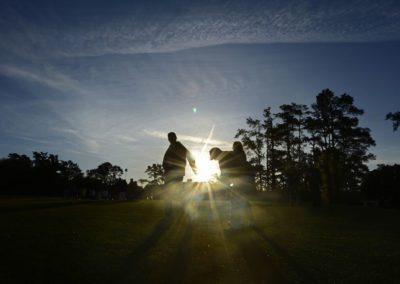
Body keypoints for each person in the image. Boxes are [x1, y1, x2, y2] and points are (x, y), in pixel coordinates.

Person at [210, 143, 255, 230]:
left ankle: (236, 225)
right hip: (248, 177)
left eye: (214, 158)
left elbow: (225, 177)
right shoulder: (228, 154)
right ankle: (250, 222)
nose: (215, 159)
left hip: (243, 178)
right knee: (243, 201)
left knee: (235, 201)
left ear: (216, 154)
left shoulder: (223, 159)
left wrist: (217, 178)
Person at [162, 132, 197, 215]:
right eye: (169, 137)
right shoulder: (172, 146)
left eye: (171, 137)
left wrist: (194, 168)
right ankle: (170, 210)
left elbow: (189, 156)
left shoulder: (178, 146)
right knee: (171, 192)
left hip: (175, 173)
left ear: (175, 137)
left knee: (175, 192)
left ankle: (182, 208)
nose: (170, 139)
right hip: (171, 173)